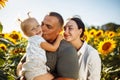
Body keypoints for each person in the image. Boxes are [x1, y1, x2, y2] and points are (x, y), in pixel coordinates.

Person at [17, 12, 79, 80]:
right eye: (42, 24)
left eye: (48, 26)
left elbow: (68, 79)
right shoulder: (36, 42)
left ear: (59, 30)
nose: (42, 28)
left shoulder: (67, 50)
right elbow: (21, 63)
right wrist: (22, 75)